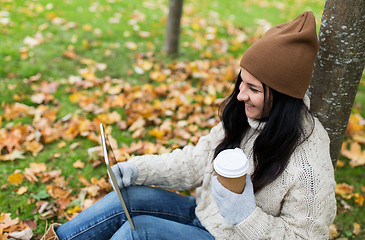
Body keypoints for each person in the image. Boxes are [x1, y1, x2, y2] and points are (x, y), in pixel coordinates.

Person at [42, 11, 336, 240]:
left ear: (283, 97)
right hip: (204, 217)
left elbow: (307, 236)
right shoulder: (246, 117)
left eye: (254, 89)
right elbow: (196, 162)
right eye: (241, 82)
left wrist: (246, 216)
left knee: (138, 233)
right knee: (127, 199)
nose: (241, 95)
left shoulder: (308, 164)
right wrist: (136, 170)